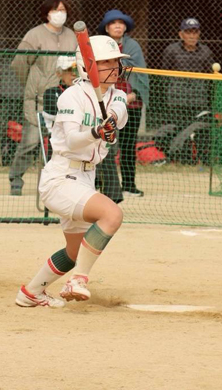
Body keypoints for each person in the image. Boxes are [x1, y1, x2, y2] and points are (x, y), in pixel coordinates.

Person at [15, 34, 129, 308]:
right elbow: (73, 140)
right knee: (112, 214)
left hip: (85, 178)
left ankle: (31, 293)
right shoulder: (72, 96)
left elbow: (118, 111)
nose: (114, 66)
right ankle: (78, 279)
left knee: (75, 251)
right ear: (87, 66)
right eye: (106, 62)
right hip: (61, 178)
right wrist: (96, 131)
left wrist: (110, 121)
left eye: (115, 61)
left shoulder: (119, 95)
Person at [8, 0, 77, 196]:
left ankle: (57, 182)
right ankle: (16, 179)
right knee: (31, 141)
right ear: (47, 13)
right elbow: (19, 64)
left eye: (63, 10)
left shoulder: (71, 36)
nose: (60, 14)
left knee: (60, 143)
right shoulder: (34, 34)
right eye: (56, 10)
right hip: (37, 99)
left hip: (64, 97)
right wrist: (32, 84)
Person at [98, 9, 149, 197]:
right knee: (103, 143)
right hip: (105, 102)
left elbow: (141, 74)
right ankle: (99, 182)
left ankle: (128, 184)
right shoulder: (100, 45)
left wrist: (133, 95)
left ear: (125, 28)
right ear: (106, 28)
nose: (118, 26)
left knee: (128, 145)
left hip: (130, 103)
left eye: (121, 23)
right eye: (113, 23)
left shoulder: (133, 46)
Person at [159, 17, 216, 161]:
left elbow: (210, 77)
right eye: (188, 32)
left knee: (198, 128)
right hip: (176, 99)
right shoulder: (171, 50)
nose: (192, 36)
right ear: (181, 34)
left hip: (198, 99)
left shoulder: (206, 51)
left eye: (195, 32)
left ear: (199, 34)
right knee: (176, 128)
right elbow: (164, 74)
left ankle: (197, 158)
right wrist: (172, 90)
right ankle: (176, 157)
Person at [41, 55, 78, 162]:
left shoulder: (87, 92)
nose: (74, 73)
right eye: (69, 70)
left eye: (76, 69)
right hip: (58, 141)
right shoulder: (51, 93)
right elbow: (54, 115)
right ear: (59, 73)